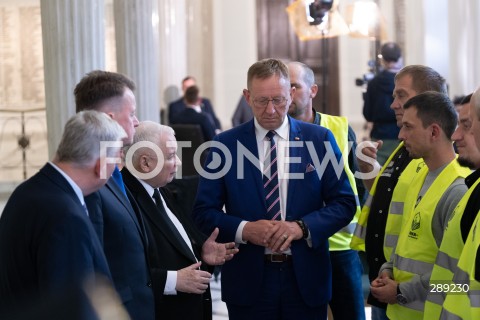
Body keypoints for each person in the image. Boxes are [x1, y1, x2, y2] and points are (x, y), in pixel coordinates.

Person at [193, 58, 356, 320]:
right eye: (261, 101)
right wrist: (246, 229)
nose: (270, 110)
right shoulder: (225, 144)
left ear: (291, 95)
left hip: (306, 278)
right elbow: (203, 212)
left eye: (278, 100)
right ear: (247, 97)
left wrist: (300, 227)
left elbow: (345, 203)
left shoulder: (319, 139)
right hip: (248, 280)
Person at [0, 111, 126, 316]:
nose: (116, 166)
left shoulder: (29, 190)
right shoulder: (65, 217)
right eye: (116, 158)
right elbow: (71, 309)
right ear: (101, 165)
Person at [351, 65, 448, 320]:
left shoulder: (435, 161)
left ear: (428, 97)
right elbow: (387, 198)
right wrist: (367, 168)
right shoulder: (406, 148)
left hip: (413, 296)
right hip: (388, 280)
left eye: (401, 96)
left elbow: (456, 275)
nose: (393, 104)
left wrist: (402, 288)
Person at [121, 121, 238, 320]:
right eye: (171, 156)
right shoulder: (124, 200)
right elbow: (122, 270)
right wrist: (172, 280)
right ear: (146, 163)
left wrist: (202, 255)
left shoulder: (162, 191)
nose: (179, 163)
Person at [370, 91, 470, 320]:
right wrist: (388, 270)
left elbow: (457, 278)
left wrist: (401, 291)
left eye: (408, 127)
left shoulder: (458, 189)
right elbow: (407, 241)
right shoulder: (419, 175)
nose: (401, 134)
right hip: (402, 311)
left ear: (434, 131)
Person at [287, 61, 365, 320]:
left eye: (295, 86)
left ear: (313, 90)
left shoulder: (340, 129)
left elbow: (357, 186)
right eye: (285, 86)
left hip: (339, 246)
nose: (288, 93)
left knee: (350, 313)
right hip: (297, 247)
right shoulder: (274, 135)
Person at [74, 70, 154, 320]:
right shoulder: (90, 183)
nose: (137, 121)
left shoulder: (113, 173)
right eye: (131, 114)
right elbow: (92, 269)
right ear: (110, 118)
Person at [441, 88, 480, 319]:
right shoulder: (472, 187)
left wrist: (406, 289)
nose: (456, 136)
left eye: (467, 124)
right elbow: (459, 282)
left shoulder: (458, 187)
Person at [363, 42, 403, 166]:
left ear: (383, 59)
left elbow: (367, 114)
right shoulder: (405, 82)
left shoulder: (374, 83)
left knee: (379, 177)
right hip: (401, 135)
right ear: (400, 58)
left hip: (380, 136)